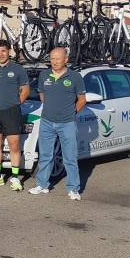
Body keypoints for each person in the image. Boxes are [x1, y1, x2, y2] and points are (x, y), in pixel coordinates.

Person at [29, 47, 86, 200]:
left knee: (70, 157)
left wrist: (70, 114)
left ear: (65, 60)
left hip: (67, 123)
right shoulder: (44, 75)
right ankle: (42, 184)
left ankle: (73, 188)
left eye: (57, 59)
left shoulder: (75, 77)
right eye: (52, 59)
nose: (54, 62)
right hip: (47, 121)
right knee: (46, 156)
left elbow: (82, 100)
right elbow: (42, 96)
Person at [0, 39, 30, 191]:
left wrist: (15, 104)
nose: (0, 54)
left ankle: (15, 177)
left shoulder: (18, 69)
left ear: (9, 51)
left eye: (3, 51)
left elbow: (26, 90)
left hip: (12, 112)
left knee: (14, 145)